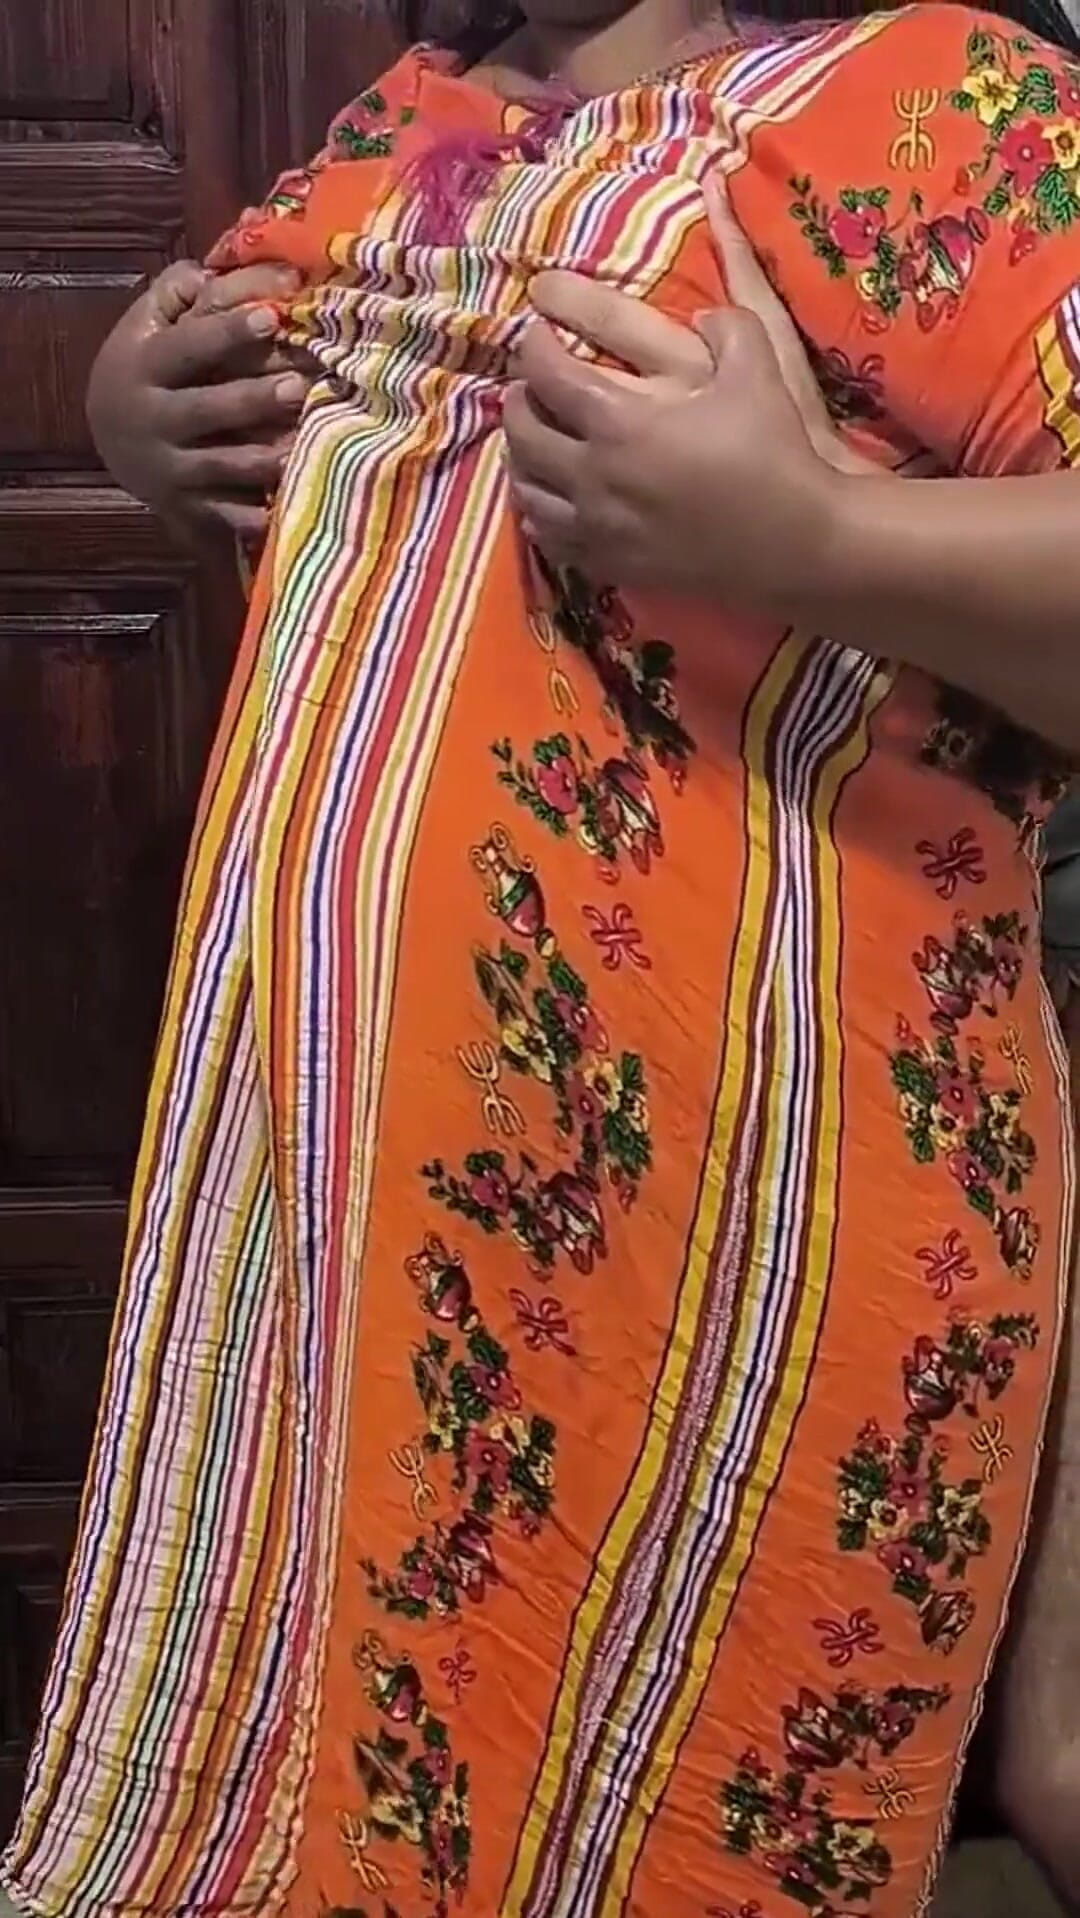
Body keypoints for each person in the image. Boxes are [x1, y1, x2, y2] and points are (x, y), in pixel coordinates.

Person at [5, 2, 1080, 1915]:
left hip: (730, 1251)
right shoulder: (415, 119)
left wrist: (817, 535)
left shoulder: (950, 100)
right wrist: (130, 419)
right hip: (341, 1239)